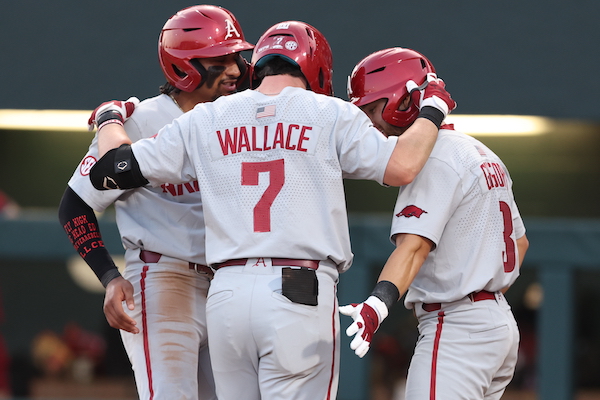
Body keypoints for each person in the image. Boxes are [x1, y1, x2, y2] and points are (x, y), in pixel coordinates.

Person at [86, 21, 456, 400]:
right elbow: (404, 166)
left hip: (227, 293)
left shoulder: (206, 118)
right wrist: (433, 107)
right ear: (316, 69)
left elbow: (112, 169)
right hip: (299, 288)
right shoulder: (328, 112)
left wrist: (109, 118)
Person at [57, 5, 254, 400]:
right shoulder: (141, 121)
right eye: (221, 59)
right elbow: (75, 206)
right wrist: (110, 278)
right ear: (185, 67)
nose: (235, 69)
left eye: (236, 57)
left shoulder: (242, 116)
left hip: (228, 281)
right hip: (164, 278)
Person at [339, 47, 529, 399]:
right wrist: (481, 293)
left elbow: (413, 249)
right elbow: (520, 244)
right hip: (498, 325)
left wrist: (377, 304)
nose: (368, 121)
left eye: (370, 108)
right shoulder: (481, 152)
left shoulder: (434, 156)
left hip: (457, 326)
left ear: (403, 100)